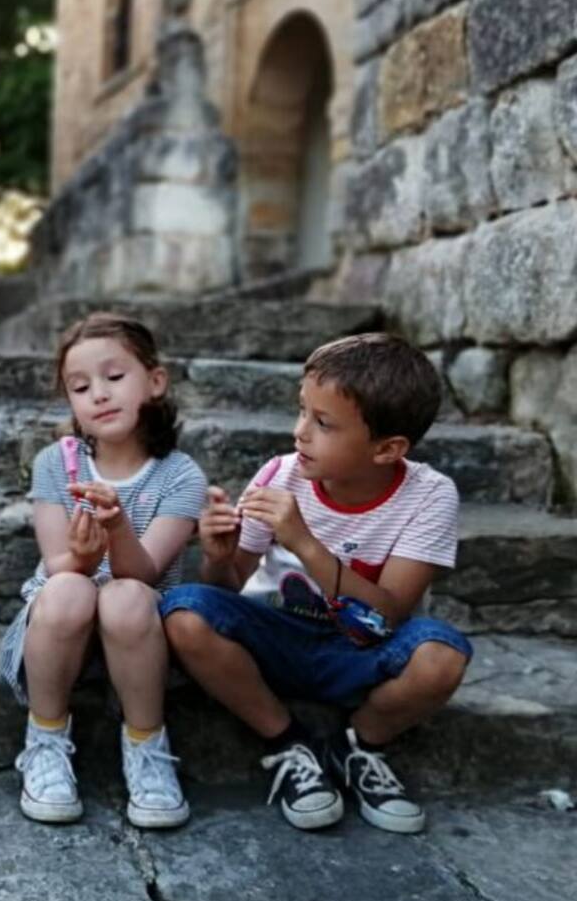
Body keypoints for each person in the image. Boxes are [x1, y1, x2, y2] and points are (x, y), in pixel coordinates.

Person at [162, 333, 471, 834]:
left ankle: (357, 748)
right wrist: (218, 557)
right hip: (279, 639)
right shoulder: (280, 476)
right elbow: (229, 588)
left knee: (443, 656)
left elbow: (386, 614)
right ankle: (287, 742)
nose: (299, 432)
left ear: (387, 448)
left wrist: (304, 542)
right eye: (302, 411)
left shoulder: (429, 495)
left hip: (365, 651)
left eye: (323, 423)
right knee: (184, 611)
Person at [0, 313, 207, 827]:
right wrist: (84, 558)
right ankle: (46, 738)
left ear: (155, 382)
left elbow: (148, 573)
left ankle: (146, 747)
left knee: (124, 595)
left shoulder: (181, 476)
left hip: (138, 633)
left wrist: (116, 531)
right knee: (69, 586)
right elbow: (57, 564)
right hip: (58, 630)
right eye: (80, 386)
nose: (99, 394)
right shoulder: (56, 463)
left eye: (114, 378)